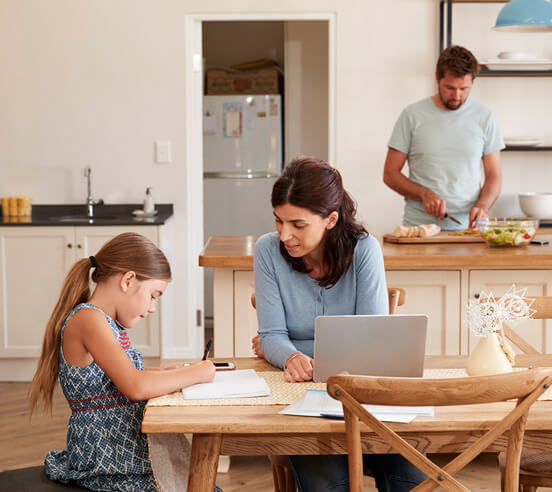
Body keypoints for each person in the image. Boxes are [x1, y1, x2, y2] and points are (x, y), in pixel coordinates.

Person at [252, 157, 427, 491]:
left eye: (298, 225)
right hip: (300, 397)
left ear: (331, 219)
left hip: (364, 398)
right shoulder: (267, 251)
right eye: (279, 221)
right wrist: (289, 356)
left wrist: (283, 347)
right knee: (330, 484)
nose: (284, 234)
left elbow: (374, 339)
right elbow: (272, 335)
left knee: (413, 480)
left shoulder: (364, 250)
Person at [28, 232, 216, 491]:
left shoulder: (107, 323)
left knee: (197, 482)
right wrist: (198, 373)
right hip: (107, 452)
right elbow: (134, 386)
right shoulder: (89, 320)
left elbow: (117, 381)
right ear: (128, 280)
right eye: (153, 295)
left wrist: (167, 373)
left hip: (121, 445)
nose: (152, 308)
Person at [383, 44, 505, 230]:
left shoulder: (485, 117)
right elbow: (390, 174)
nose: (457, 95)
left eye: (464, 88)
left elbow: (494, 175)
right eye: (450, 88)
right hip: (419, 229)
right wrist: (423, 194)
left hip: (468, 230)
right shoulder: (412, 115)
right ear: (437, 78)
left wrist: (483, 206)